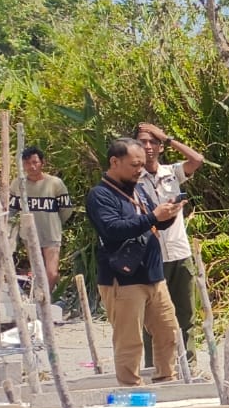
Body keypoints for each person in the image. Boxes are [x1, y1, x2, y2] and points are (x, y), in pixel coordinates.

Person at [86, 137, 184, 386]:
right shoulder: (100, 195)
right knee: (130, 341)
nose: (139, 169)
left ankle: (166, 379)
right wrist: (153, 216)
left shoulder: (139, 189)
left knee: (168, 332)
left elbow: (153, 222)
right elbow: (112, 229)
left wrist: (168, 215)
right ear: (114, 162)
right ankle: (130, 388)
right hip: (123, 280)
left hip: (153, 275)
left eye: (142, 164)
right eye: (134, 165)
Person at [136, 122, 204, 367]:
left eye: (153, 142)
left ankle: (190, 364)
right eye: (143, 142)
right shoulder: (132, 180)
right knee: (152, 318)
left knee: (185, 314)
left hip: (179, 252)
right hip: (150, 257)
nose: (148, 146)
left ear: (160, 147)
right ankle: (155, 366)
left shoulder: (171, 173)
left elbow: (197, 160)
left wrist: (168, 137)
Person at [9, 146, 73, 291]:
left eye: (35, 162)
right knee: (37, 269)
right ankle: (39, 300)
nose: (31, 166)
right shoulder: (18, 184)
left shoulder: (55, 183)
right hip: (29, 234)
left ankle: (46, 299)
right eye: (27, 163)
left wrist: (55, 222)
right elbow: (12, 209)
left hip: (51, 233)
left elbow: (66, 209)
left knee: (51, 272)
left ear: (42, 162)